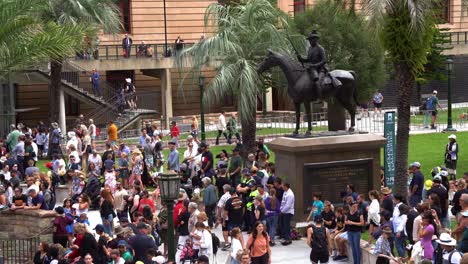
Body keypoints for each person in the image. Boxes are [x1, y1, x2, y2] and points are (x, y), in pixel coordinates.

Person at [296, 30, 341, 95]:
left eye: (311, 39)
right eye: (309, 40)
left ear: (315, 39)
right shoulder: (310, 49)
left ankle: (320, 99)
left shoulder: (320, 48)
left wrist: (314, 65)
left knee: (317, 82)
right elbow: (308, 59)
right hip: (312, 69)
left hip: (321, 69)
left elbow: (324, 60)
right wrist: (300, 58)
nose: (310, 41)